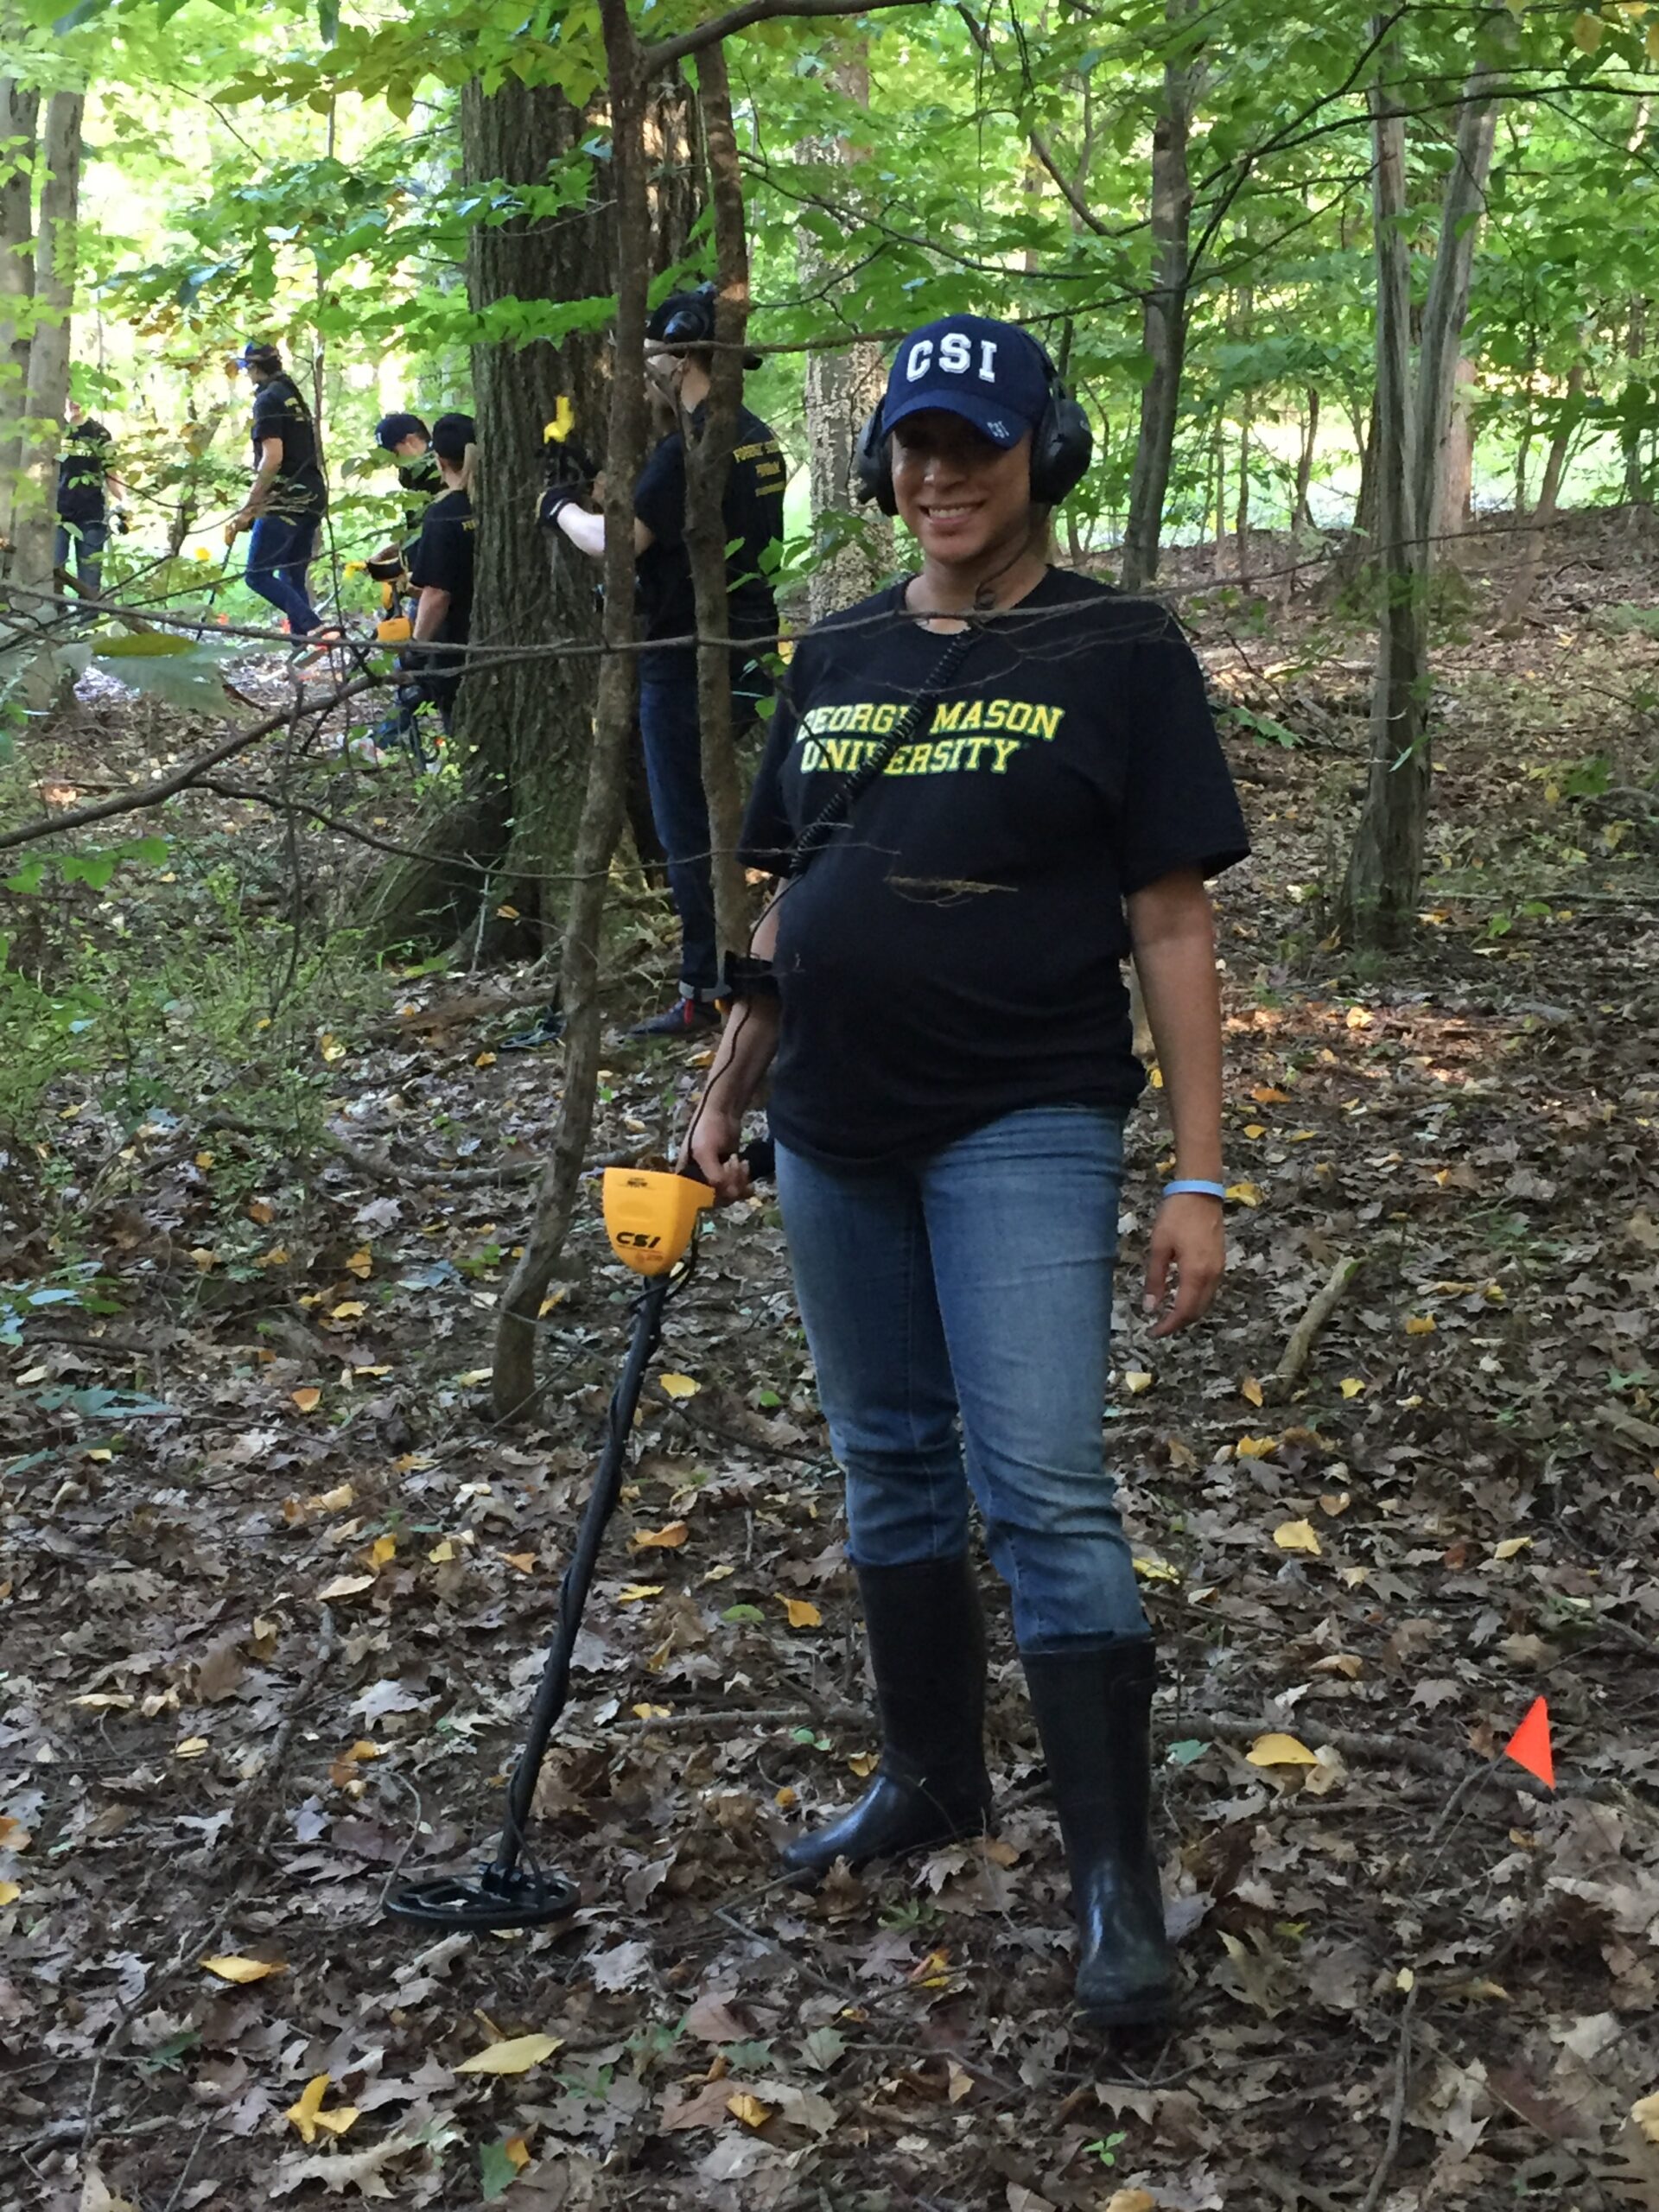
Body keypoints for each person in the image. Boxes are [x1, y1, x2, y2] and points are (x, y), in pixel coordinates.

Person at [684, 315, 1249, 2031]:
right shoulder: (841, 651)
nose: (943, 477)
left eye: (978, 447)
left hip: (1026, 1111)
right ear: (885, 467)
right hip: (836, 1119)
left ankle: (1112, 1885)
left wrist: (1201, 1173)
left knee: (1047, 1487)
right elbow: (793, 901)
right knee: (887, 1464)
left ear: (1043, 455)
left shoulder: (1118, 646)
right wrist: (722, 1097)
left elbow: (1169, 915)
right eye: (918, 450)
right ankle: (932, 1773)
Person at [542, 283, 786, 1037]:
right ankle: (746, 966)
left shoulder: (688, 450)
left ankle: (707, 987)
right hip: (749, 648)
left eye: (651, 351)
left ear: (680, 355)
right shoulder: (757, 434)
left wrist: (560, 507)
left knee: (689, 831)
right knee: (732, 820)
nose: (640, 365)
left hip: (686, 660)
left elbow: (620, 547)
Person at [375, 410, 475, 757]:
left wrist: (417, 647)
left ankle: (387, 741)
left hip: (453, 620)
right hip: (464, 608)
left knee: (426, 679)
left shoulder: (445, 507)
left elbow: (437, 590)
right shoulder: (471, 499)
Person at [226, 340, 330, 643]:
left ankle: (314, 627)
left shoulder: (268, 400)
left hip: (286, 499)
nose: (247, 374)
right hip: (312, 495)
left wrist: (250, 508)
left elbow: (273, 457)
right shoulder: (291, 395)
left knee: (257, 575)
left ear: (255, 368)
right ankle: (305, 646)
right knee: (292, 575)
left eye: (247, 368)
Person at [54, 405, 119, 607]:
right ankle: (54, 620)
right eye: (69, 396)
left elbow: (112, 473)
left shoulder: (99, 433)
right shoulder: (54, 430)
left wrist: (125, 501)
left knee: (90, 576)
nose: (74, 402)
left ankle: (87, 624)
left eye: (78, 398)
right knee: (52, 572)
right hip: (57, 514)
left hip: (91, 513)